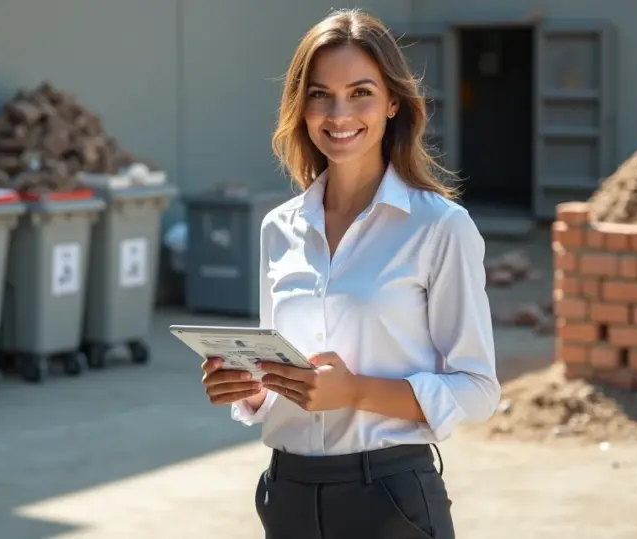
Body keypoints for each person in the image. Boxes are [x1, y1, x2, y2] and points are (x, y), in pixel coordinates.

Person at [200, 8, 500, 539]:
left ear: (392, 103)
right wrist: (246, 386)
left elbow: (477, 389)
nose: (339, 113)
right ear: (301, 107)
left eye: (360, 92)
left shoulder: (440, 227)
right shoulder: (278, 228)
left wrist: (356, 392)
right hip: (287, 493)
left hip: (388, 496)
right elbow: (279, 375)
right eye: (319, 95)